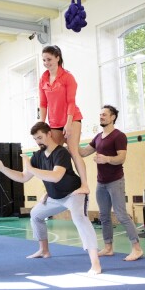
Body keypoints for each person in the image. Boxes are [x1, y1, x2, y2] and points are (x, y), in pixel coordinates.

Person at [0, 122, 101, 275]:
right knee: (35, 214)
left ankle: (95, 263)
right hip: (55, 197)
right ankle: (44, 250)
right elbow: (23, 177)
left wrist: (30, 168)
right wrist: (2, 168)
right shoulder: (37, 156)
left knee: (80, 219)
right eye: (35, 139)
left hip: (74, 193)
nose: (38, 142)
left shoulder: (61, 153)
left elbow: (56, 176)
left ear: (49, 134)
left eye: (40, 137)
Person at [78, 105, 143, 261]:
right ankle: (108, 247)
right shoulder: (98, 137)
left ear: (113, 117)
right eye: (100, 114)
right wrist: (71, 141)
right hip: (101, 183)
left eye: (104, 115)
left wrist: (106, 159)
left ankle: (137, 248)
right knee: (104, 216)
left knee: (121, 215)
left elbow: (121, 158)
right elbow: (83, 152)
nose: (101, 117)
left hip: (116, 181)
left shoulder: (119, 136)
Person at [39, 45, 89, 195]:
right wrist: (42, 123)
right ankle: (50, 189)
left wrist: (68, 124)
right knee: (51, 154)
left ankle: (85, 185)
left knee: (73, 151)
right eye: (44, 60)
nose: (46, 63)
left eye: (49, 59)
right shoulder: (43, 78)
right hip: (54, 123)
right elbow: (43, 103)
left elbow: (71, 102)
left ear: (57, 58)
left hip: (71, 118)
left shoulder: (67, 77)